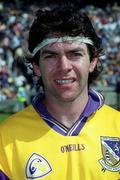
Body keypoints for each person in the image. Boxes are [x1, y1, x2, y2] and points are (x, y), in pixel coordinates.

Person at [0, 5, 120, 180]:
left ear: (93, 61)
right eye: (51, 56)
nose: (64, 67)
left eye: (75, 54)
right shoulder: (4, 140)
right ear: (36, 66)